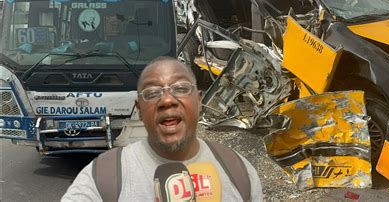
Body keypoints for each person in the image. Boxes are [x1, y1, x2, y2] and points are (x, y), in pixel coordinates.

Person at [62, 57, 263, 201]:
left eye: (181, 89)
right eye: (152, 92)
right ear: (139, 109)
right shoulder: (103, 176)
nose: (167, 100)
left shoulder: (239, 172)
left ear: (199, 101)